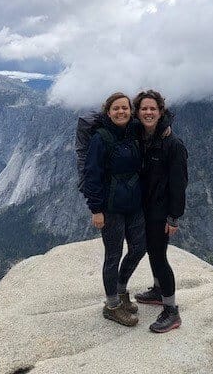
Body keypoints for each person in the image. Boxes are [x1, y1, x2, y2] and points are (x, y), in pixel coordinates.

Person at [83, 92, 146, 327]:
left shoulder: (134, 132)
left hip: (134, 204)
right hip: (111, 208)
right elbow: (92, 175)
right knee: (113, 255)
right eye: (116, 108)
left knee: (140, 247)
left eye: (125, 108)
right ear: (108, 112)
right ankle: (112, 306)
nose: (121, 112)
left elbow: (159, 117)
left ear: (131, 111)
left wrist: (167, 126)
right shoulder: (101, 138)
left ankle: (120, 290)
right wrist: (96, 209)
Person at [133, 90, 188, 333]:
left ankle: (171, 310)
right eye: (144, 108)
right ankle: (157, 291)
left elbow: (179, 183)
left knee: (158, 257)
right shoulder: (140, 137)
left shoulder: (172, 144)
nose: (148, 112)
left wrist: (173, 217)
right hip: (143, 208)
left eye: (152, 108)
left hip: (160, 211)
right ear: (138, 112)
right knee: (154, 253)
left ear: (161, 111)